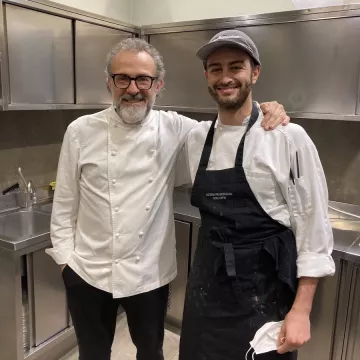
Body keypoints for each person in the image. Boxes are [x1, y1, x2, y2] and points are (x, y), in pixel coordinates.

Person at [46, 37, 290, 360]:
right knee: (92, 355)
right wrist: (67, 264)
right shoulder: (79, 132)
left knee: (151, 352)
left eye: (143, 79)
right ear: (109, 83)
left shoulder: (177, 129)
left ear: (158, 84)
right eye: (123, 78)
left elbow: (231, 128)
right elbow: (63, 206)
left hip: (149, 276)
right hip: (88, 273)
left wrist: (266, 110)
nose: (133, 88)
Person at [178, 29, 336, 360]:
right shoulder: (196, 138)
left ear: (255, 72)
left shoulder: (287, 138)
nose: (226, 77)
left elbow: (313, 229)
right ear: (206, 76)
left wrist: (301, 311)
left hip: (264, 298)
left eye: (236, 67)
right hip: (205, 295)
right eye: (216, 68)